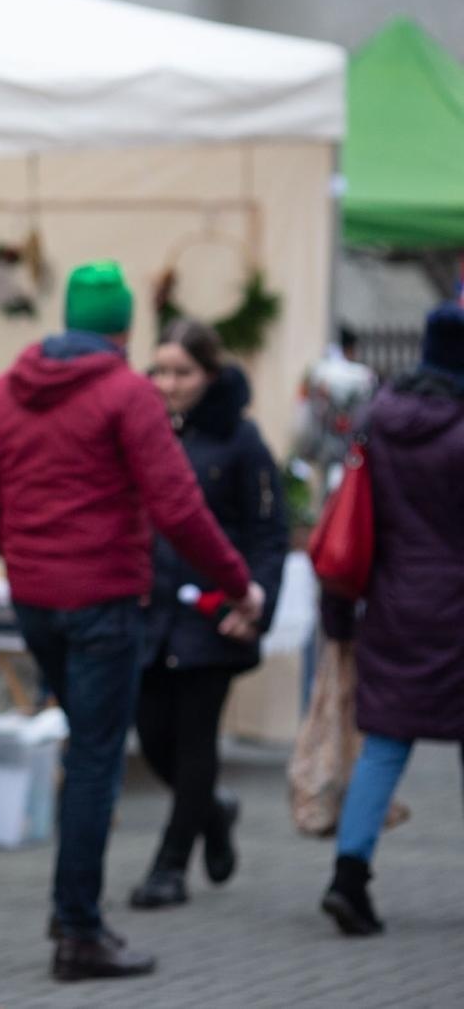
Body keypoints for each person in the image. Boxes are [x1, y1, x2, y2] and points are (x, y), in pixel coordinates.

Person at [0, 261, 265, 982]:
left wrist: (27, 557)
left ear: (67, 320)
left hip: (35, 604)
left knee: (85, 749)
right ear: (125, 331)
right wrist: (239, 585)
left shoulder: (4, 391)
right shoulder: (128, 394)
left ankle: (70, 907)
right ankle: (78, 930)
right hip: (104, 604)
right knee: (97, 760)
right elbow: (178, 507)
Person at [130, 320, 287, 910]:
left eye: (183, 372)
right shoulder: (142, 429)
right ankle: (213, 812)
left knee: (196, 742)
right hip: (152, 614)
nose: (169, 383)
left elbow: (269, 534)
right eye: (160, 370)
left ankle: (169, 867)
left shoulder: (240, 440)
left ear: (211, 375)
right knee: (153, 738)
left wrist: (257, 605)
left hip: (214, 613)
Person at [319, 302, 464, 937]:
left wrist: (337, 616)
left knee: (383, 746)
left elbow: (348, 519)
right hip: (457, 609)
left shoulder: (377, 421)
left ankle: (348, 878)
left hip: (393, 605)